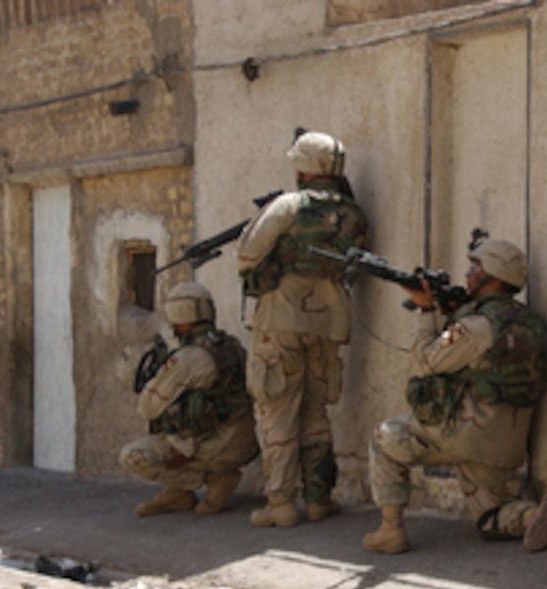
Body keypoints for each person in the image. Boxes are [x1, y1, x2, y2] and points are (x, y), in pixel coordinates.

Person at [362, 238, 547, 554]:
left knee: (385, 437)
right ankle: (531, 516)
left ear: (494, 275)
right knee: (489, 516)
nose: (467, 274)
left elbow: (429, 360)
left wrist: (426, 311)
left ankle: (390, 530)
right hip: (506, 440)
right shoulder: (527, 321)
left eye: (475, 267)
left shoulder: (476, 326)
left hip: (465, 429)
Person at [235, 129, 369, 527]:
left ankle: (279, 503)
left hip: (282, 317)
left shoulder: (288, 205)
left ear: (302, 167)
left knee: (275, 408)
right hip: (328, 319)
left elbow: (247, 254)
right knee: (314, 410)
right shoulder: (352, 213)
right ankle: (317, 500)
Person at [120, 282, 259, 516]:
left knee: (133, 457)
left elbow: (148, 408)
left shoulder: (188, 358)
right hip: (248, 442)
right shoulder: (231, 346)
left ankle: (212, 478)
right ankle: (180, 493)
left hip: (215, 447)